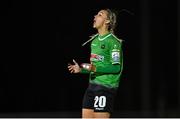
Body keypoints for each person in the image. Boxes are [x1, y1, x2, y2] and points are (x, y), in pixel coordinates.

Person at [68, 8, 123, 118]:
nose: (95, 16)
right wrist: (81, 70)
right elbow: (93, 67)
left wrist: (94, 68)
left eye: (100, 15)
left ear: (107, 21)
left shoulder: (113, 42)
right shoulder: (94, 41)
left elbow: (116, 68)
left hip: (105, 88)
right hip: (91, 87)